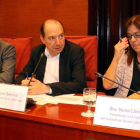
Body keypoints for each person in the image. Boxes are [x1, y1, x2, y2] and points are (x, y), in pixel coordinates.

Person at [15, 19, 87, 96]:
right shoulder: (38, 52)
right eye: (52, 38)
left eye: (61, 36)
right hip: (41, 100)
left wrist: (47, 88)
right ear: (43, 39)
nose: (58, 43)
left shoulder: (74, 51)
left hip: (64, 99)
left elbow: (80, 84)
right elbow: (20, 77)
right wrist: (22, 83)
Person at [103, 15, 140, 97]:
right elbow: (107, 85)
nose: (133, 40)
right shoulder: (126, 57)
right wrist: (116, 57)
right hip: (125, 108)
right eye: (130, 36)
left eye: (137, 35)